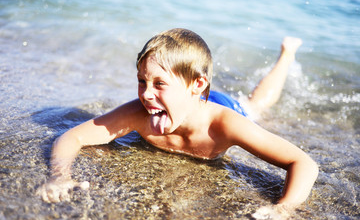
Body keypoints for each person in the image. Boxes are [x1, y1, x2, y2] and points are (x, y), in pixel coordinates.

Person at [37, 28, 318, 205]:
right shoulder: (139, 113)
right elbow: (71, 137)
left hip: (221, 107)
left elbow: (303, 163)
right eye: (141, 81)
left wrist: (284, 212)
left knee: (256, 104)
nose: (145, 94)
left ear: (197, 85)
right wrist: (60, 176)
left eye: (159, 84)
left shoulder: (226, 124)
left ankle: (287, 55)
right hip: (188, 100)